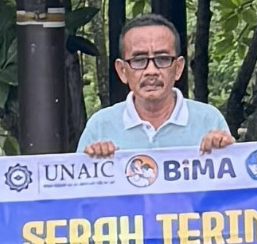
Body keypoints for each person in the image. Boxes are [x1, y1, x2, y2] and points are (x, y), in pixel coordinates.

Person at [78, 16, 233, 153]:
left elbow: (234, 182)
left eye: (163, 59)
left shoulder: (208, 120)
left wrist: (222, 150)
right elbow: (78, 184)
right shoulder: (100, 127)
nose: (151, 71)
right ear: (122, 70)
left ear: (178, 68)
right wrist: (93, 163)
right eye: (139, 60)